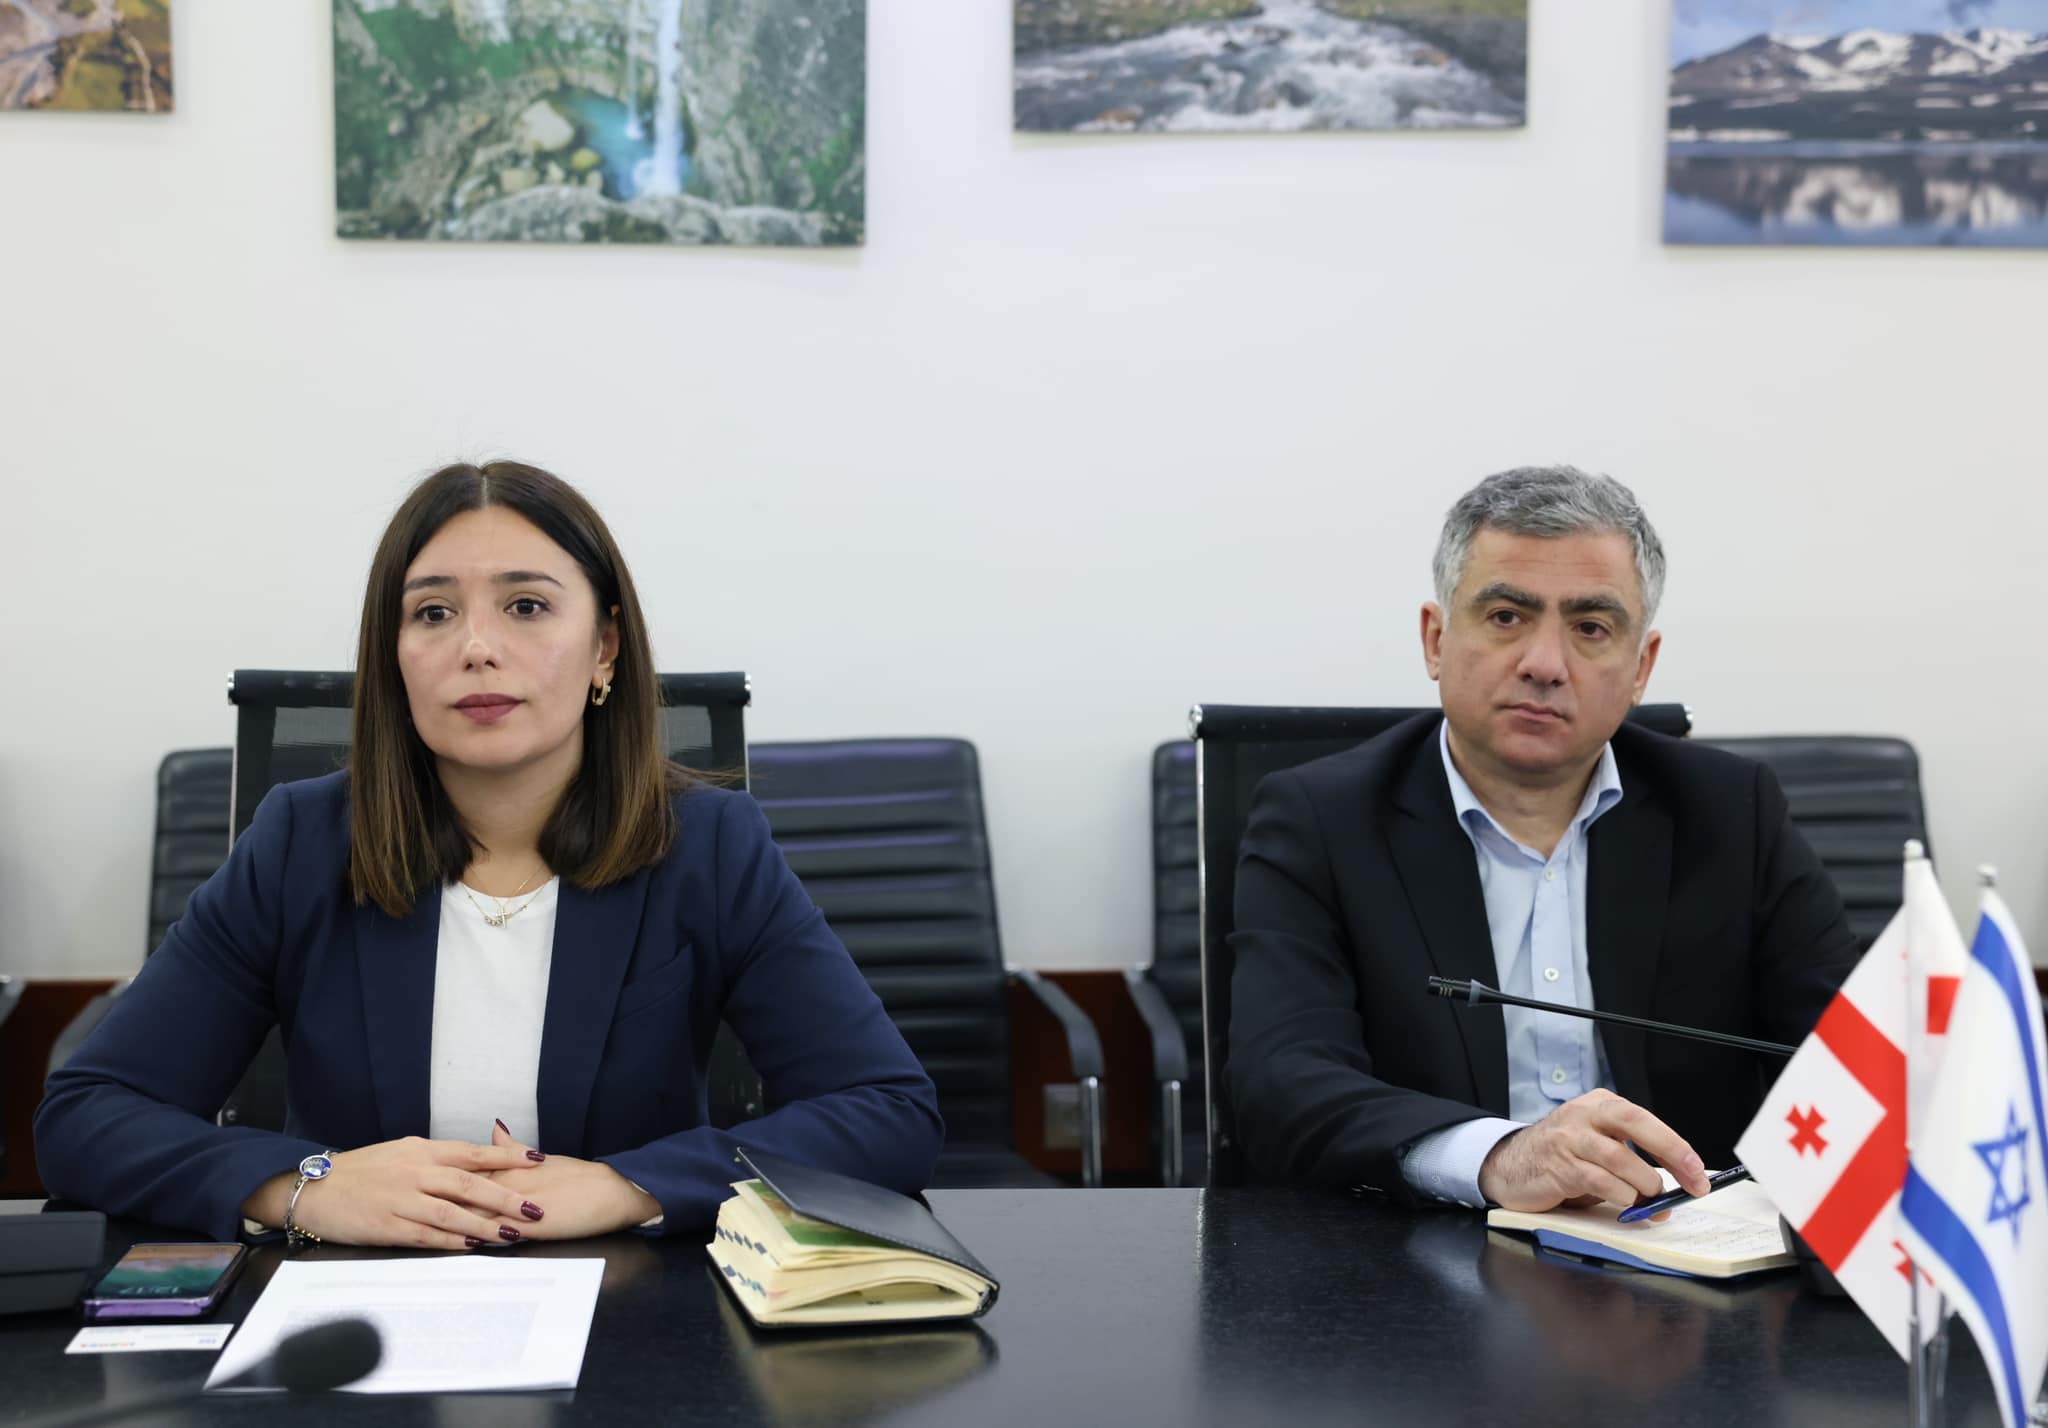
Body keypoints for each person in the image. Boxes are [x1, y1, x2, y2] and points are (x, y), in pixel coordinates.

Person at [36, 461, 943, 1248]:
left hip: (632, 1310)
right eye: (433, 612)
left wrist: (629, 1186)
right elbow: (87, 1116)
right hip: (347, 1319)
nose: (477, 647)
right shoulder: (300, 844)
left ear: (605, 648)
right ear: (395, 658)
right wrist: (308, 1186)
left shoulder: (708, 846)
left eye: (527, 606)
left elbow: (887, 1111)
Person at [1226, 466, 1859, 1213]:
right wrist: (1497, 1156)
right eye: (1505, 617)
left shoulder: (1731, 812)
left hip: (1685, 1247)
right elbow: (1281, 1082)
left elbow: (1851, 1061)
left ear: (1641, 667)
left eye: (1590, 628)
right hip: (1422, 1250)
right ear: (1436, 640)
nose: (1544, 665)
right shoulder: (1319, 820)